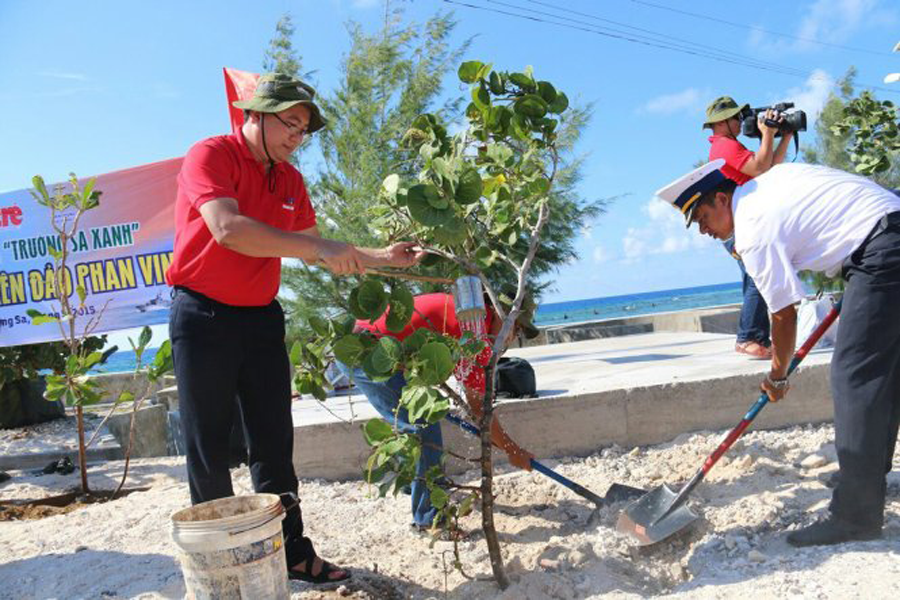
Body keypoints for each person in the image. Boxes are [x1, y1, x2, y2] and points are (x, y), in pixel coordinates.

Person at [165, 73, 423, 583]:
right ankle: (221, 570)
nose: (296, 138)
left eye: (304, 130)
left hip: (260, 318)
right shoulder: (210, 155)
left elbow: (318, 249)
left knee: (274, 445)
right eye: (290, 123)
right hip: (202, 315)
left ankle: (293, 553)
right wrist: (320, 248)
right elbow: (228, 230)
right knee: (209, 447)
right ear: (254, 115)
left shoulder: (289, 180)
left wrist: (383, 258)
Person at [658, 158, 900, 547]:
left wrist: (778, 374)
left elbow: (784, 314)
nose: (703, 230)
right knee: (882, 373)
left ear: (722, 199)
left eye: (703, 217)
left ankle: (855, 515)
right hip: (887, 233)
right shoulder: (767, 185)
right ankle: (867, 481)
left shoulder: (752, 231)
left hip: (881, 250)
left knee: (853, 375)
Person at [337, 287, 539, 531]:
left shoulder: (471, 315)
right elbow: (480, 411)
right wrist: (511, 449)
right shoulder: (473, 332)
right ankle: (430, 519)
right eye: (514, 329)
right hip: (364, 349)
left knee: (417, 423)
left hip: (373, 343)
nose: (510, 338)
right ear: (501, 314)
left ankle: (416, 488)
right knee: (422, 429)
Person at [703, 96, 795, 359]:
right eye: (736, 118)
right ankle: (748, 338)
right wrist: (767, 133)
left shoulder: (729, 145)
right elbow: (759, 166)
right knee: (757, 278)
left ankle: (755, 338)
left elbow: (768, 169)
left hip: (744, 222)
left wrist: (783, 138)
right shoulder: (724, 146)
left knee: (755, 277)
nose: (741, 122)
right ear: (723, 122)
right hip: (740, 224)